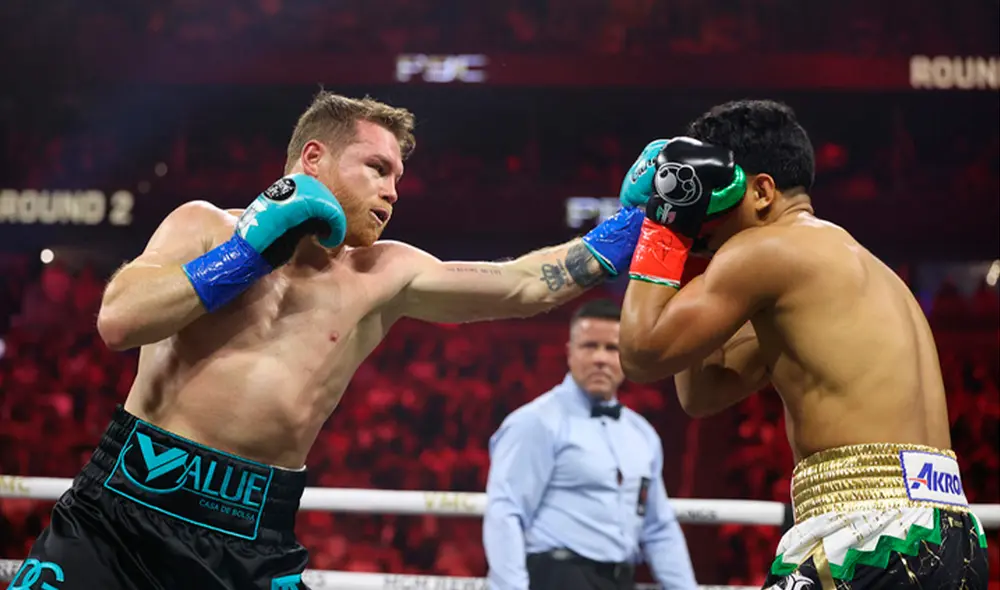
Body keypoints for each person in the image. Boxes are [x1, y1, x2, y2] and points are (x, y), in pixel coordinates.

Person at [10, 92, 648, 590]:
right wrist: (245, 255)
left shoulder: (385, 273)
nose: (393, 190)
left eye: (398, 175)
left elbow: (523, 286)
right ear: (312, 158)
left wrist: (638, 222)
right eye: (377, 167)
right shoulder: (205, 226)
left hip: (251, 535)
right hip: (121, 513)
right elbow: (119, 321)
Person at [615, 100, 989, 587]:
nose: (705, 210)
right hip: (949, 536)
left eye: (712, 195)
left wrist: (668, 225)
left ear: (761, 191)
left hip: (868, 533)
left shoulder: (765, 250)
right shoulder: (856, 270)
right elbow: (701, 392)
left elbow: (641, 353)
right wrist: (696, 253)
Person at [484, 299, 697, 590]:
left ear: (627, 357)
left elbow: (658, 528)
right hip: (557, 577)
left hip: (621, 580)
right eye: (589, 346)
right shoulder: (536, 422)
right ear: (570, 353)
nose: (601, 358)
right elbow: (505, 512)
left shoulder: (642, 434)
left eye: (612, 348)